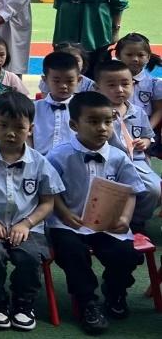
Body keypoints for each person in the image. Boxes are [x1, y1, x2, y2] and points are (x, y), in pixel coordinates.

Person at [0, 92, 64, 331]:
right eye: (3, 125)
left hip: (29, 229)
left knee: (30, 257)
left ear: (31, 129)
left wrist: (26, 224)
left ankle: (23, 303)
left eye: (19, 127)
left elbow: (47, 202)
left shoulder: (40, 162)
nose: (10, 133)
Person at [46, 91, 144, 334]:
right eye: (93, 121)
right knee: (72, 251)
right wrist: (64, 213)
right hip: (69, 224)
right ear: (74, 125)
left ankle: (115, 291)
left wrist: (125, 218)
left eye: (108, 121)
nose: (102, 128)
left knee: (126, 253)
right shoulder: (59, 155)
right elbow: (49, 190)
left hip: (107, 224)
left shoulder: (119, 157)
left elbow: (131, 191)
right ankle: (87, 301)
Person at [94, 59, 160, 234]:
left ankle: (137, 221)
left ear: (133, 84)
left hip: (134, 161)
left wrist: (144, 142)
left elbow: (148, 135)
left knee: (154, 189)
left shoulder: (138, 112)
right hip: (105, 161)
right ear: (97, 88)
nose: (120, 89)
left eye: (125, 84)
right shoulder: (95, 112)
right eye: (111, 85)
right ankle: (102, 220)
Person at [31, 51, 81, 155]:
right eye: (56, 81)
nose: (63, 86)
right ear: (45, 80)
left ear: (78, 80)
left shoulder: (83, 109)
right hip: (39, 161)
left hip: (72, 161)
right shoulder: (33, 108)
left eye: (69, 81)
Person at [114, 32, 162, 134]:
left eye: (141, 55)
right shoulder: (110, 81)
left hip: (146, 131)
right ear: (118, 55)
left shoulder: (155, 84)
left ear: (148, 57)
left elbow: (159, 110)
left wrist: (147, 131)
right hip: (117, 130)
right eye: (129, 55)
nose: (135, 59)